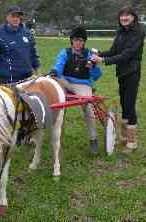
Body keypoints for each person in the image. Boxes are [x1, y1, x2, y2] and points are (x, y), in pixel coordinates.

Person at [91, 6, 145, 152]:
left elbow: (126, 55)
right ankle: (125, 137)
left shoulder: (138, 32)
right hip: (122, 73)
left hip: (132, 72)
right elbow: (114, 51)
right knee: (124, 103)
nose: (124, 18)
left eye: (127, 15)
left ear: (133, 17)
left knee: (129, 105)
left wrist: (103, 61)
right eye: (122, 15)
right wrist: (99, 55)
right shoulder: (121, 32)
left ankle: (132, 142)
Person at [51, 26, 102, 154]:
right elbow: (59, 66)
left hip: (82, 84)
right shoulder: (65, 52)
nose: (78, 42)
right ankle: (57, 136)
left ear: (84, 41)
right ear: (71, 41)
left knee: (88, 107)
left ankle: (93, 139)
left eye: (80, 40)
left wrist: (93, 66)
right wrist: (55, 72)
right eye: (75, 40)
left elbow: (96, 76)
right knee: (57, 103)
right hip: (65, 81)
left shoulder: (90, 54)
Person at [0, 5, 40, 85]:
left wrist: (37, 71)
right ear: (7, 17)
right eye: (13, 16)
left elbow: (33, 54)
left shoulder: (27, 34)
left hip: (28, 78)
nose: (16, 19)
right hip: (8, 80)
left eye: (18, 16)